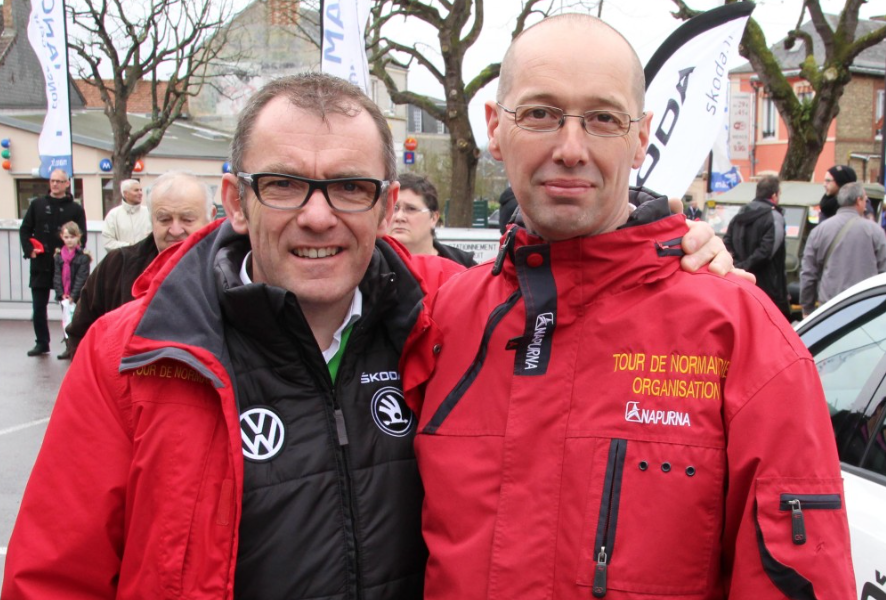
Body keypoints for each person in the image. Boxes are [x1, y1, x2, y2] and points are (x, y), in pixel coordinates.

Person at [3, 73, 733, 599]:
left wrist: (669, 257)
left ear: (387, 206)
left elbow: (582, 302)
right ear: (234, 201)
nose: (319, 217)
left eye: (350, 187)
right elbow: (52, 579)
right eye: (285, 184)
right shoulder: (133, 356)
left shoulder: (454, 319)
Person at [405, 14, 855, 600]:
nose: (571, 149)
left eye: (603, 119)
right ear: (495, 127)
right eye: (540, 114)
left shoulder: (742, 336)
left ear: (641, 136)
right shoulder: (439, 320)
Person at [64, 171, 217, 357]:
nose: (176, 230)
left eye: (187, 219)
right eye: (164, 219)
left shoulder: (230, 270)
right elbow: (80, 336)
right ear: (151, 218)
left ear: (212, 216)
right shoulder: (116, 267)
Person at [18, 169, 87, 357]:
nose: (55, 184)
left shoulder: (75, 209)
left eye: (59, 181)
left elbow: (83, 236)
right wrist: (29, 250)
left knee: (69, 307)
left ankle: (70, 344)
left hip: (66, 266)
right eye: (52, 181)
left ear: (67, 184)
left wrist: (75, 257)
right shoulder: (37, 205)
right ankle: (42, 342)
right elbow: (25, 230)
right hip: (41, 264)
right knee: (39, 307)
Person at [800, 181, 886, 316]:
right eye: (865, 199)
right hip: (867, 306)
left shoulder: (819, 231)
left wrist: (807, 308)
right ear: (859, 201)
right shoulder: (875, 231)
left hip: (830, 308)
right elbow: (883, 272)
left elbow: (808, 274)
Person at [723, 175, 790, 319]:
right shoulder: (774, 216)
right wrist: (746, 265)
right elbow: (767, 251)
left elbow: (727, 242)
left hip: (740, 282)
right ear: (774, 195)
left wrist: (738, 266)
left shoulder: (739, 215)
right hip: (768, 286)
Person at [389, 173, 476, 267]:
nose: (399, 217)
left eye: (411, 209)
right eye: (394, 208)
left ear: (434, 218)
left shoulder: (464, 266)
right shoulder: (373, 267)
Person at [52, 221, 91, 359]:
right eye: (66, 237)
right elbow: (57, 276)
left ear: (78, 237)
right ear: (62, 237)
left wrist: (73, 296)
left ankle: (78, 347)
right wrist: (61, 293)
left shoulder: (83, 257)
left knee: (77, 321)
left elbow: (82, 278)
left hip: (77, 296)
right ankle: (68, 346)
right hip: (64, 297)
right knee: (65, 322)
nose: (69, 240)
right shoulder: (58, 257)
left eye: (72, 237)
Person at [102, 178, 151, 250]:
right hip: (123, 260)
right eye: (136, 190)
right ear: (125, 193)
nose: (140, 193)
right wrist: (131, 247)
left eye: (141, 190)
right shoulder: (113, 215)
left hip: (147, 260)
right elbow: (108, 242)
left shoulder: (149, 213)